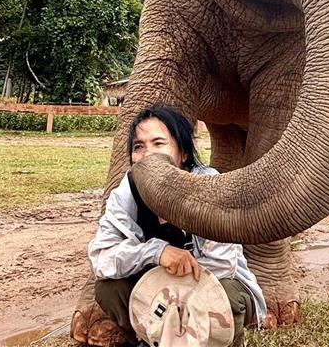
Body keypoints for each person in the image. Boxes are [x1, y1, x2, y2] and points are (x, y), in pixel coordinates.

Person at [82, 104, 266, 347]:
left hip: (211, 285)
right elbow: (101, 257)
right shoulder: (127, 191)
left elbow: (223, 264)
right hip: (157, 291)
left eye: (159, 144)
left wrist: (174, 278)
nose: (148, 155)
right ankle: (149, 339)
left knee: (228, 297)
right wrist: (157, 253)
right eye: (139, 147)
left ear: (183, 154)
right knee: (109, 289)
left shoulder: (208, 185)